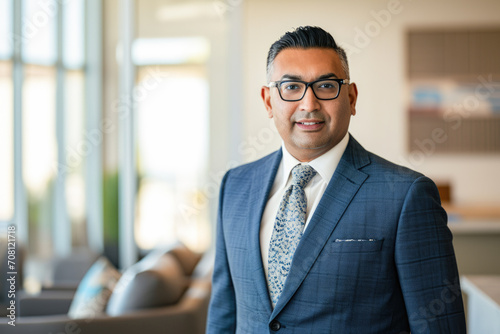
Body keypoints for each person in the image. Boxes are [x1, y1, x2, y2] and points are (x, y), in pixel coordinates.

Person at [207, 26, 466, 333]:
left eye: (326, 85)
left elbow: (439, 327)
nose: (309, 104)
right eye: (291, 87)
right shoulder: (235, 186)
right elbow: (224, 313)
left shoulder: (406, 195)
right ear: (267, 101)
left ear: (351, 98)